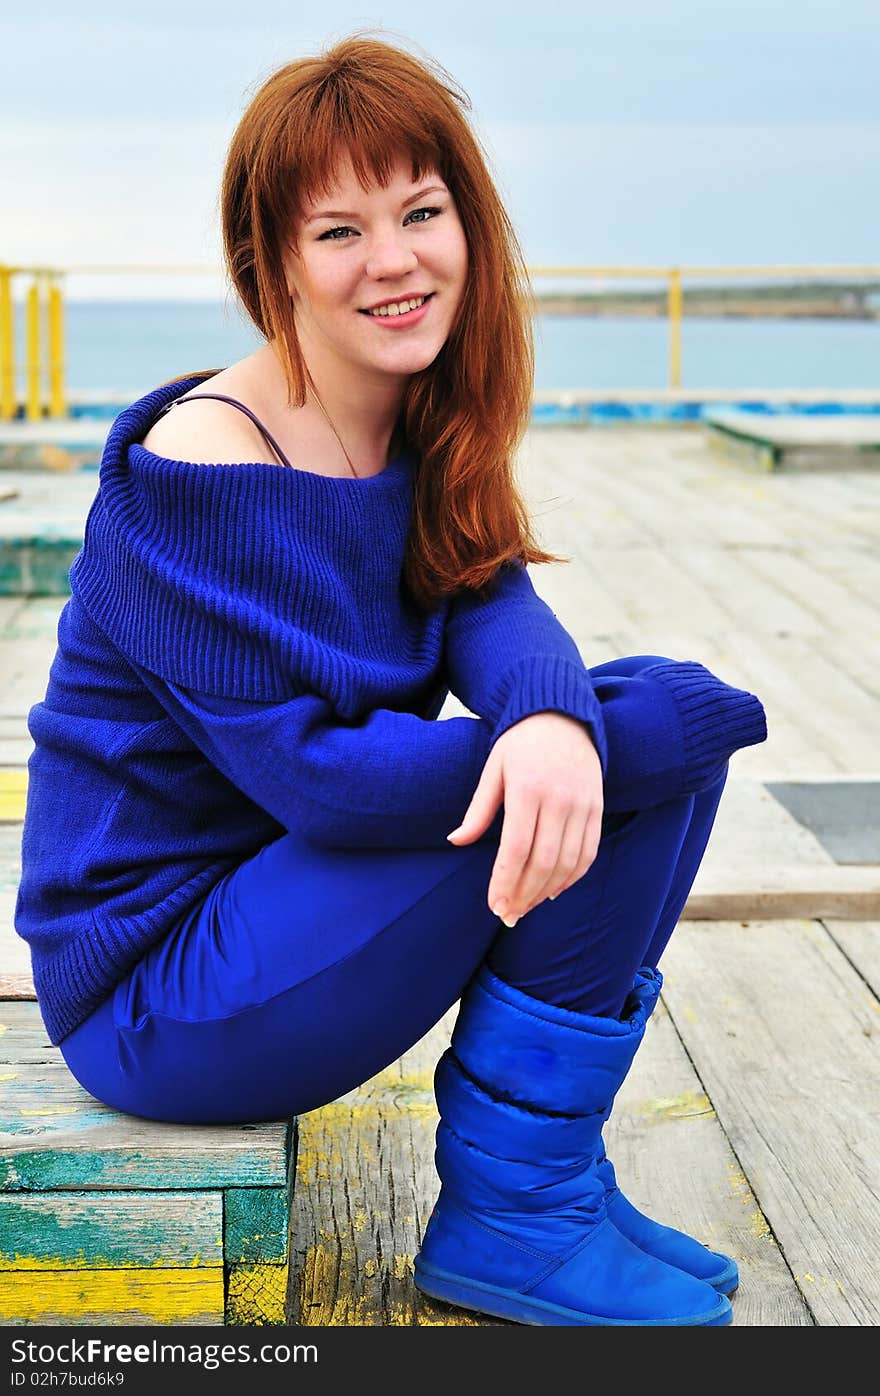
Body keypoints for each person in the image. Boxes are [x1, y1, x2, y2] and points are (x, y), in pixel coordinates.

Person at [15, 33, 768, 1328]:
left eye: (421, 212)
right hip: (161, 990)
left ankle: (540, 1185)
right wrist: (571, 739)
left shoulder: (411, 423)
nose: (396, 260)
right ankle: (518, 1209)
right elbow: (321, 783)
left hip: (286, 921)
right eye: (339, 232)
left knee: (610, 728)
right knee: (644, 734)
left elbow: (498, 604)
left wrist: (546, 716)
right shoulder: (201, 473)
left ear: (467, 223)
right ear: (274, 266)